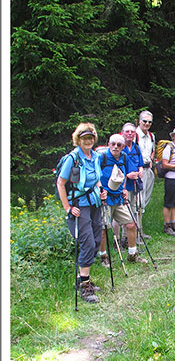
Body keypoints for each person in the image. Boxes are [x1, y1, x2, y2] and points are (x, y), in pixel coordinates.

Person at [57, 123, 107, 303]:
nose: (88, 141)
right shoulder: (73, 158)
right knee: (86, 242)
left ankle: (82, 280)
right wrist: (68, 208)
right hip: (79, 206)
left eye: (90, 138)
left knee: (96, 241)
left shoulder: (95, 157)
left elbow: (96, 180)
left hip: (94, 203)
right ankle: (85, 287)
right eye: (84, 138)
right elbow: (61, 183)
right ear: (78, 139)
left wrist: (102, 191)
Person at [98, 134, 147, 264]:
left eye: (118, 145)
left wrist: (124, 188)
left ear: (123, 147)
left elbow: (123, 175)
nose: (115, 147)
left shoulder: (124, 157)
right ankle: (103, 257)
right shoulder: (101, 157)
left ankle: (133, 255)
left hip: (119, 198)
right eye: (112, 144)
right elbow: (95, 177)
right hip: (105, 198)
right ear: (108, 144)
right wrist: (100, 191)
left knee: (131, 224)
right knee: (103, 229)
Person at [121, 123, 148, 242]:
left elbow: (140, 164)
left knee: (136, 208)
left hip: (136, 184)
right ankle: (123, 238)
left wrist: (140, 171)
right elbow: (114, 169)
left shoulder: (136, 148)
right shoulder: (119, 148)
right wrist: (127, 175)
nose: (130, 134)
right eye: (127, 132)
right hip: (124, 186)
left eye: (132, 132)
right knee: (124, 211)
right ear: (122, 133)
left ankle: (136, 235)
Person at [135, 110, 156, 209]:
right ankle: (133, 223)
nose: (147, 124)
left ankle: (139, 222)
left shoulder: (151, 136)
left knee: (145, 197)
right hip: (138, 170)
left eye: (149, 122)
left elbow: (153, 150)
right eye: (144, 121)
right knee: (137, 199)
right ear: (139, 121)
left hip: (148, 170)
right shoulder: (133, 135)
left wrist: (151, 159)